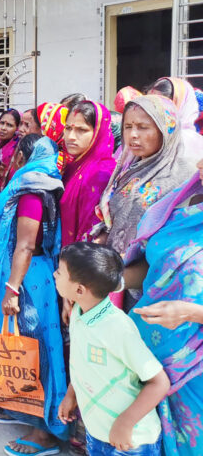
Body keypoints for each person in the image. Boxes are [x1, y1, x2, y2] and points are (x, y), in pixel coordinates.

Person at [0, 134, 69, 455]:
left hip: (29, 280)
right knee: (21, 346)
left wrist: (11, 289)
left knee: (35, 350)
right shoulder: (40, 182)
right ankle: (20, 408)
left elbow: (26, 244)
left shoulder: (33, 189)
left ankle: (44, 432)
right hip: (29, 275)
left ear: (22, 155)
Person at [56, 243, 170, 456]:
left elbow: (159, 382)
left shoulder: (118, 328)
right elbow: (81, 361)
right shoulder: (79, 312)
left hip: (131, 441)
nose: (55, 274)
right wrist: (71, 394)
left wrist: (125, 424)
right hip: (99, 433)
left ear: (79, 289)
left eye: (60, 272)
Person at [122, 161, 203, 456]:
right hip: (150, 354)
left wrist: (190, 313)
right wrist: (111, 281)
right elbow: (156, 263)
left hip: (195, 367)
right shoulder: (184, 203)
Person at [95, 95, 195, 257]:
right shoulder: (127, 169)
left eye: (142, 127)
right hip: (113, 270)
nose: (133, 135)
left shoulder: (185, 176)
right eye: (128, 126)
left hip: (153, 273)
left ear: (165, 130)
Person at [61, 101, 116, 246]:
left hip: (80, 261)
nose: (71, 136)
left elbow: (92, 232)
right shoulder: (70, 165)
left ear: (99, 132)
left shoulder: (101, 173)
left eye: (82, 130)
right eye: (68, 128)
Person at [147, 77, 203, 164]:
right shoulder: (141, 136)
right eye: (148, 104)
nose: (149, 112)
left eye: (158, 106)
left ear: (179, 106)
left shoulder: (192, 145)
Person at [0, 108, 21, 190]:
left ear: (17, 128)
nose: (3, 128)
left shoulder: (18, 148)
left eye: (9, 125)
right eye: (2, 123)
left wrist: (5, 173)